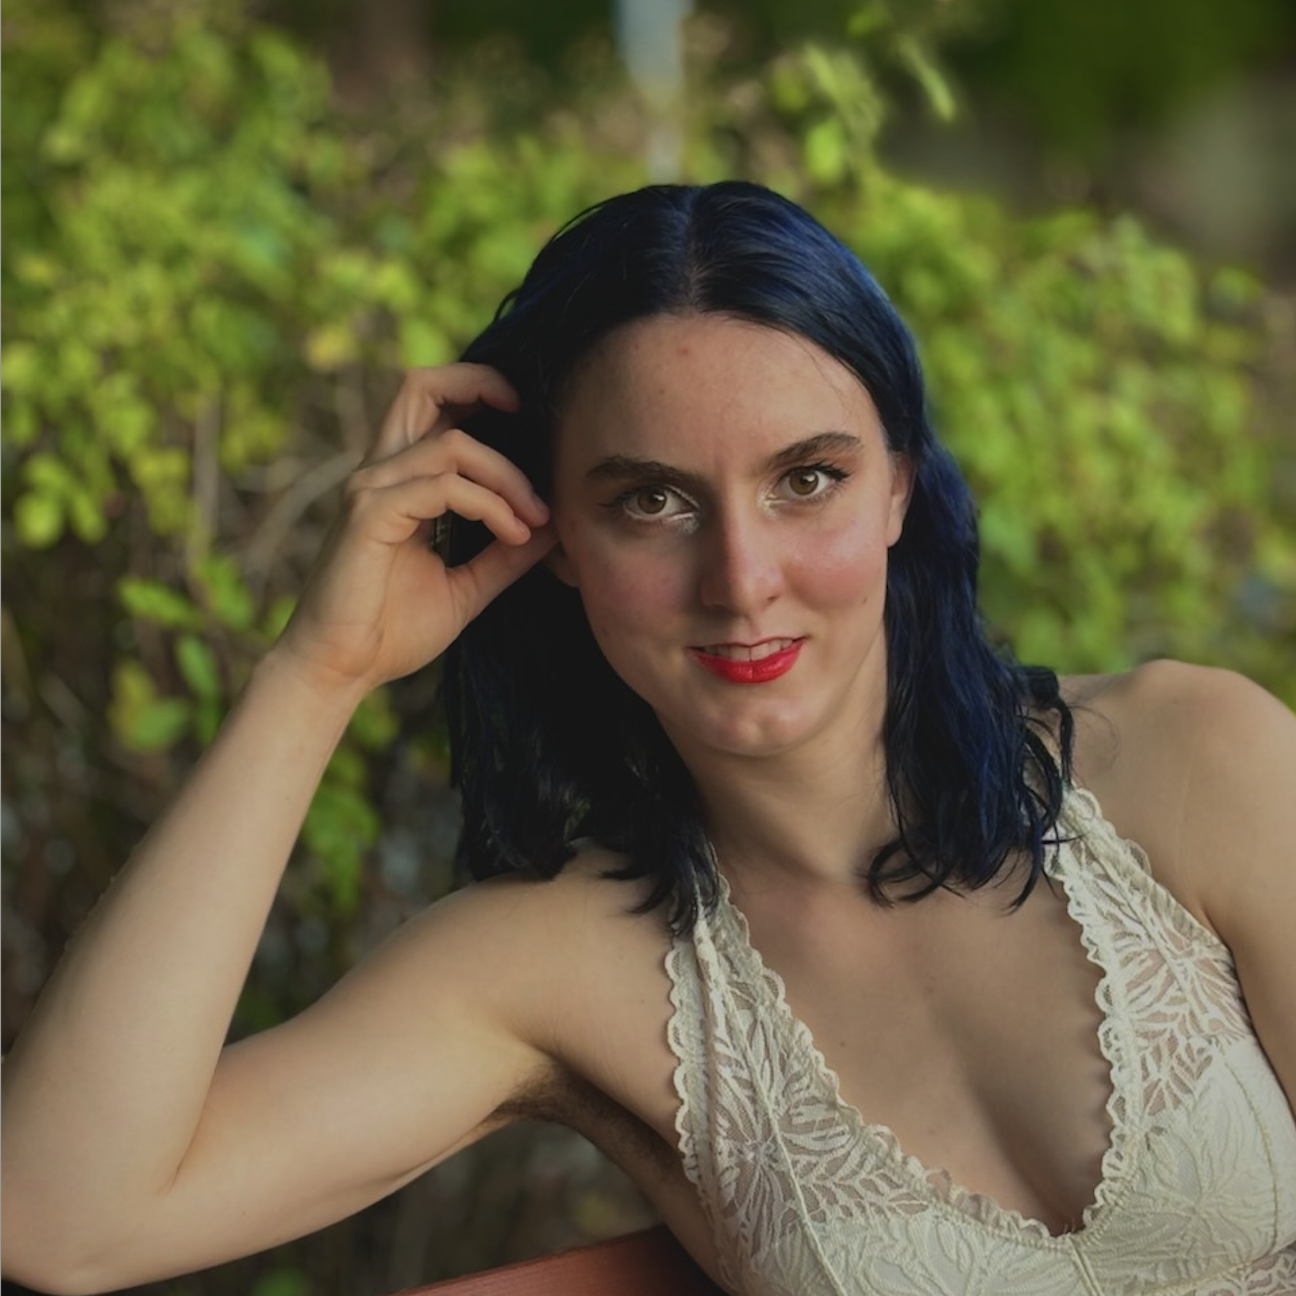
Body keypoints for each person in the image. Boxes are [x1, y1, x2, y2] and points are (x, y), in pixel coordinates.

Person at [3, 181, 1294, 1296]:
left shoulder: (1195, 763)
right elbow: (61, 1216)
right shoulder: (561, 971)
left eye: (808, 479)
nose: (742, 579)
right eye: (653, 501)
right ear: (550, 535)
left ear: (899, 482)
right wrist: (315, 672)